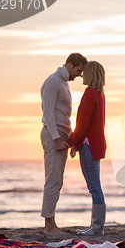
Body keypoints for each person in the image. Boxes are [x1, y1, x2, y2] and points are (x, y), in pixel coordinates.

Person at [40, 52, 87, 235]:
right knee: (52, 180)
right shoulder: (53, 81)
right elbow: (48, 112)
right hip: (54, 135)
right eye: (78, 70)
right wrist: (56, 138)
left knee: (57, 181)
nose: (79, 75)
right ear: (69, 65)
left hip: (62, 135)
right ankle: (48, 227)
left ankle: (51, 223)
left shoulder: (63, 83)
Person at [67, 61, 107, 235]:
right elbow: (88, 125)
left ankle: (97, 228)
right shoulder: (100, 94)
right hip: (94, 144)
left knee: (94, 187)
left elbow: (82, 125)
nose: (81, 75)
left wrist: (69, 142)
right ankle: (96, 227)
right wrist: (76, 144)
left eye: (84, 73)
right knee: (95, 186)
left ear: (90, 75)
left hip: (89, 145)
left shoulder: (90, 94)